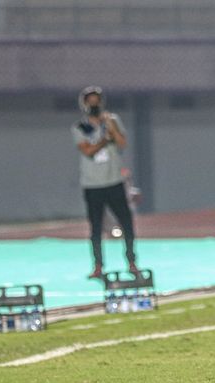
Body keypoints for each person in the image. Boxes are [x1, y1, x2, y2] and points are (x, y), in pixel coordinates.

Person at [71, 86, 139, 279]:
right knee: (96, 227)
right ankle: (98, 265)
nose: (94, 105)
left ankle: (132, 261)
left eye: (96, 101)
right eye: (90, 101)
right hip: (93, 185)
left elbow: (122, 144)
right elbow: (88, 151)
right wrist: (103, 139)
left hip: (114, 181)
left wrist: (109, 125)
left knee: (126, 223)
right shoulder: (79, 127)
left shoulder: (112, 121)